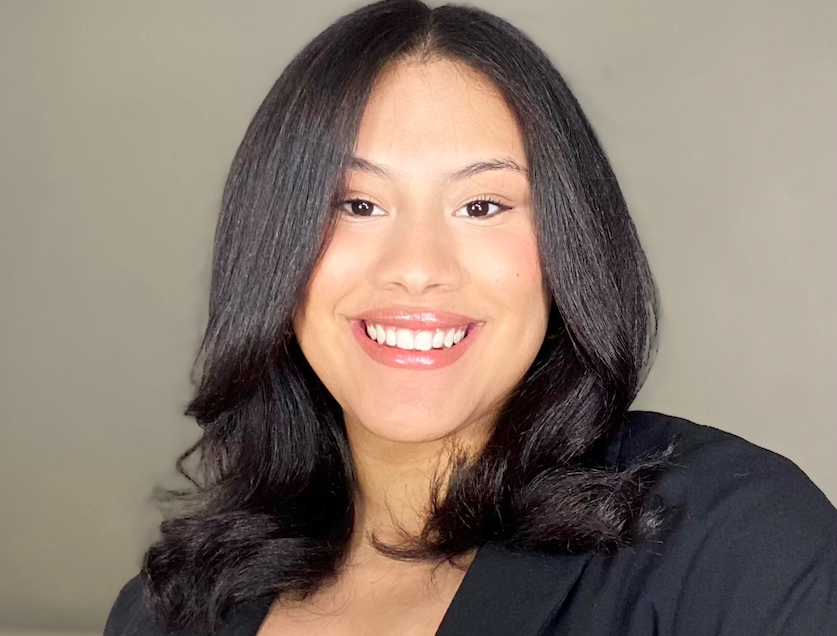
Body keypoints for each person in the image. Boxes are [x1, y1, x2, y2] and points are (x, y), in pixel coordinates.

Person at [103, 1, 837, 634]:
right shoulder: (170, 609)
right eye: (356, 205)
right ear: (274, 244)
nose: (417, 265)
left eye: (482, 206)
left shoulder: (731, 542)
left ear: (568, 244)